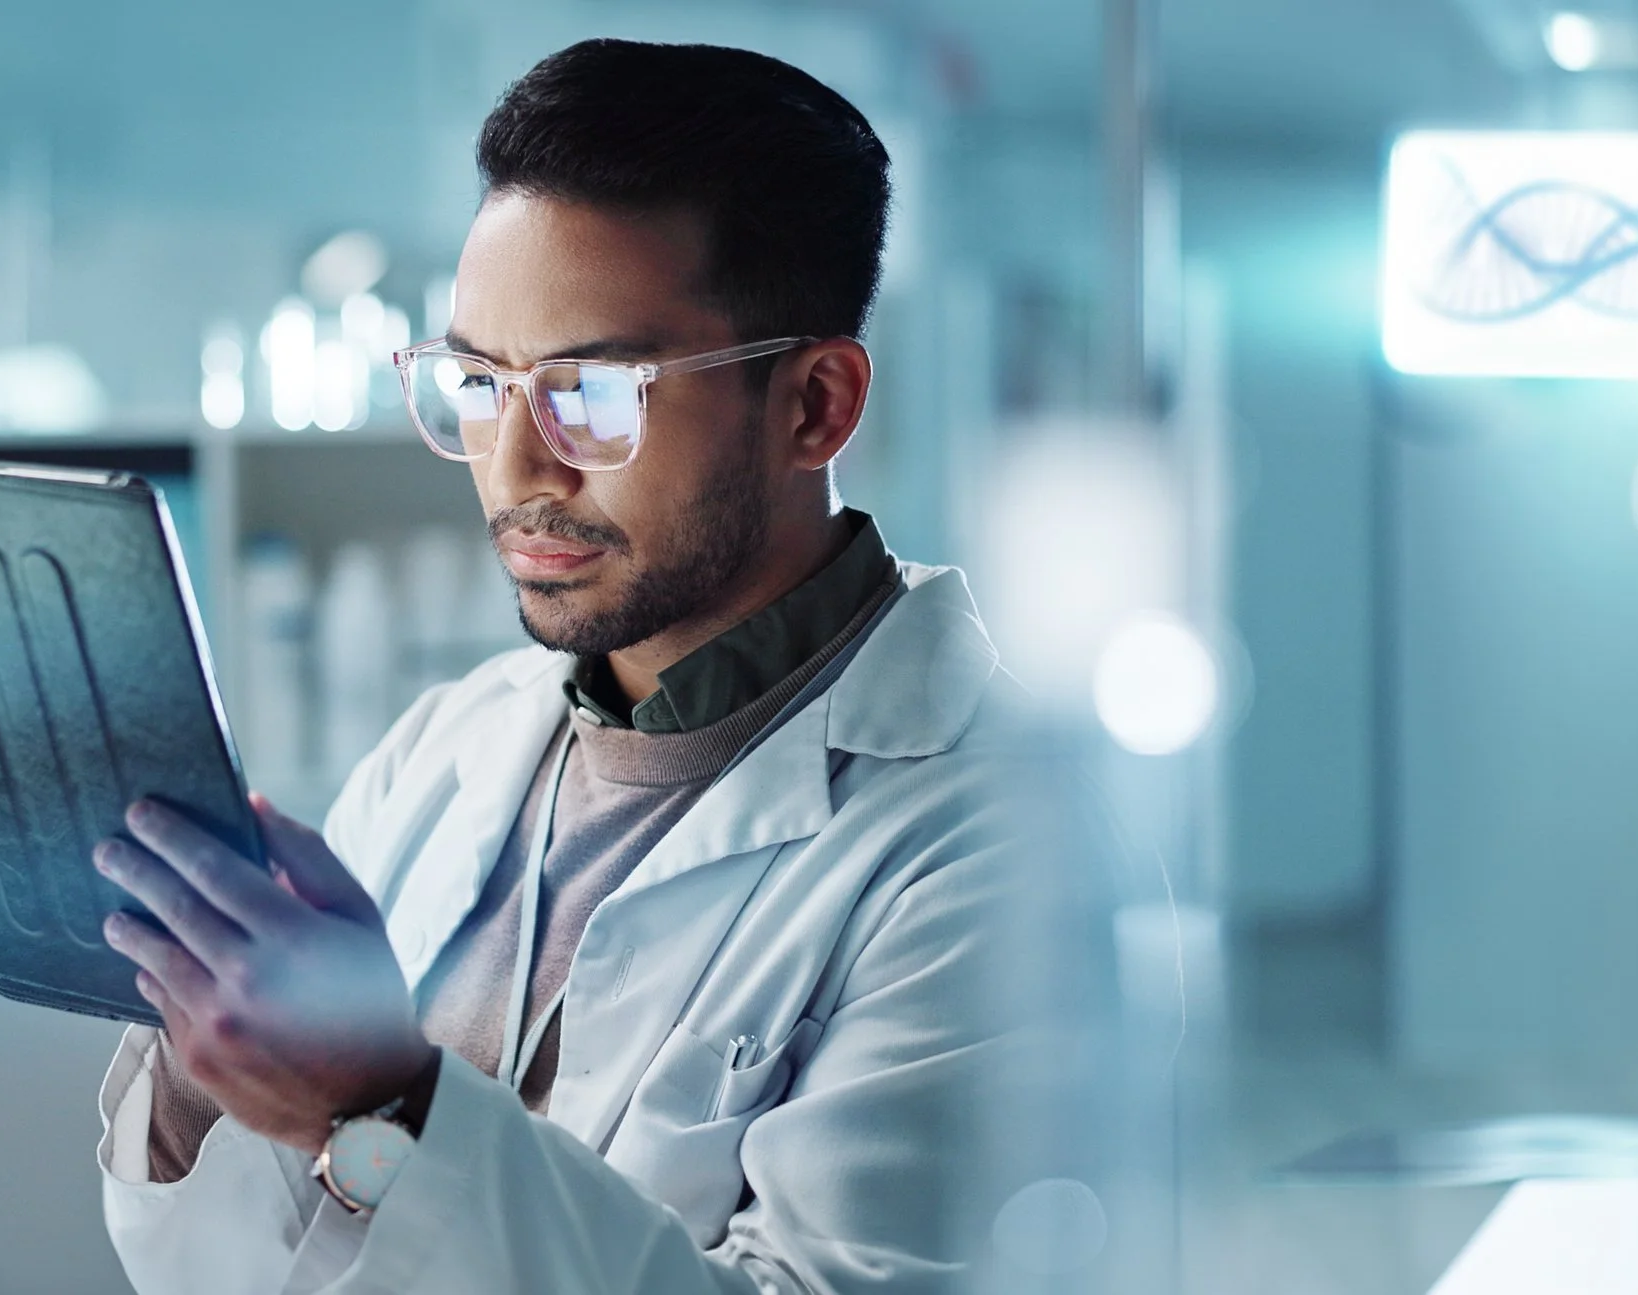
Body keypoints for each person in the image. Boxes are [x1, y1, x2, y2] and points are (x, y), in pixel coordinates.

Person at [90, 39, 1120, 1294]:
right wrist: (214, 1066)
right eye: (478, 382)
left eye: (593, 393)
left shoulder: (1002, 846)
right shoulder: (448, 748)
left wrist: (376, 1105)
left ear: (815, 405)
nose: (517, 466)